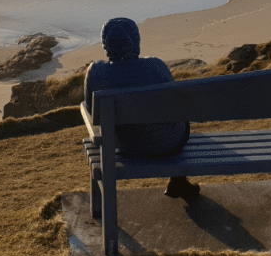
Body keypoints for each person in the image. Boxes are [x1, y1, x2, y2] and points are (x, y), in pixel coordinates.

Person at [84, 17, 200, 199]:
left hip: (125, 146)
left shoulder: (96, 71)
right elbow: (177, 108)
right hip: (170, 144)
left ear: (105, 44)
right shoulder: (156, 66)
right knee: (178, 123)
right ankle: (178, 182)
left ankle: (105, 210)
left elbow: (92, 113)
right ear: (136, 41)